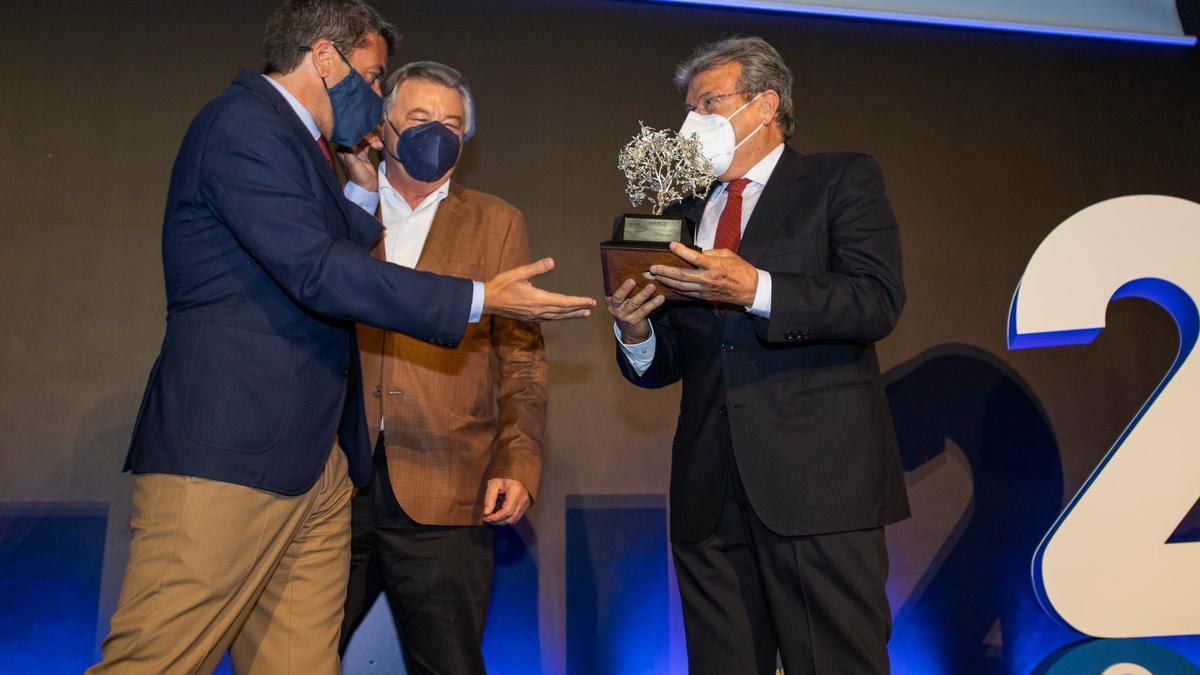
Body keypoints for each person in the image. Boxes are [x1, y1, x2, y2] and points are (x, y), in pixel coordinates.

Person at [88, 1, 593, 673]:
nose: (377, 95)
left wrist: (354, 198)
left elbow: (323, 262)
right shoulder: (244, 126)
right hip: (232, 452)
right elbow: (319, 273)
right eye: (377, 79)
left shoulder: (312, 155)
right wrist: (479, 296)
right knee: (155, 658)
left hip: (319, 468)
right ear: (324, 59)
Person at [606, 36, 909, 675]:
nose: (693, 123)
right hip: (709, 493)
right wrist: (636, 334)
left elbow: (876, 300)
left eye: (710, 103)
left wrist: (758, 288)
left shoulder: (839, 179)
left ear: (764, 104)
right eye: (688, 108)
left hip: (819, 487)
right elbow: (676, 361)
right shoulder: (682, 215)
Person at [339, 61, 547, 674]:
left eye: (453, 123)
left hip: (446, 485)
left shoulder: (497, 222)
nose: (439, 133)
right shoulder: (335, 207)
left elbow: (522, 359)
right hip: (329, 485)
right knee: (291, 656)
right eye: (422, 119)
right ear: (381, 129)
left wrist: (517, 459)